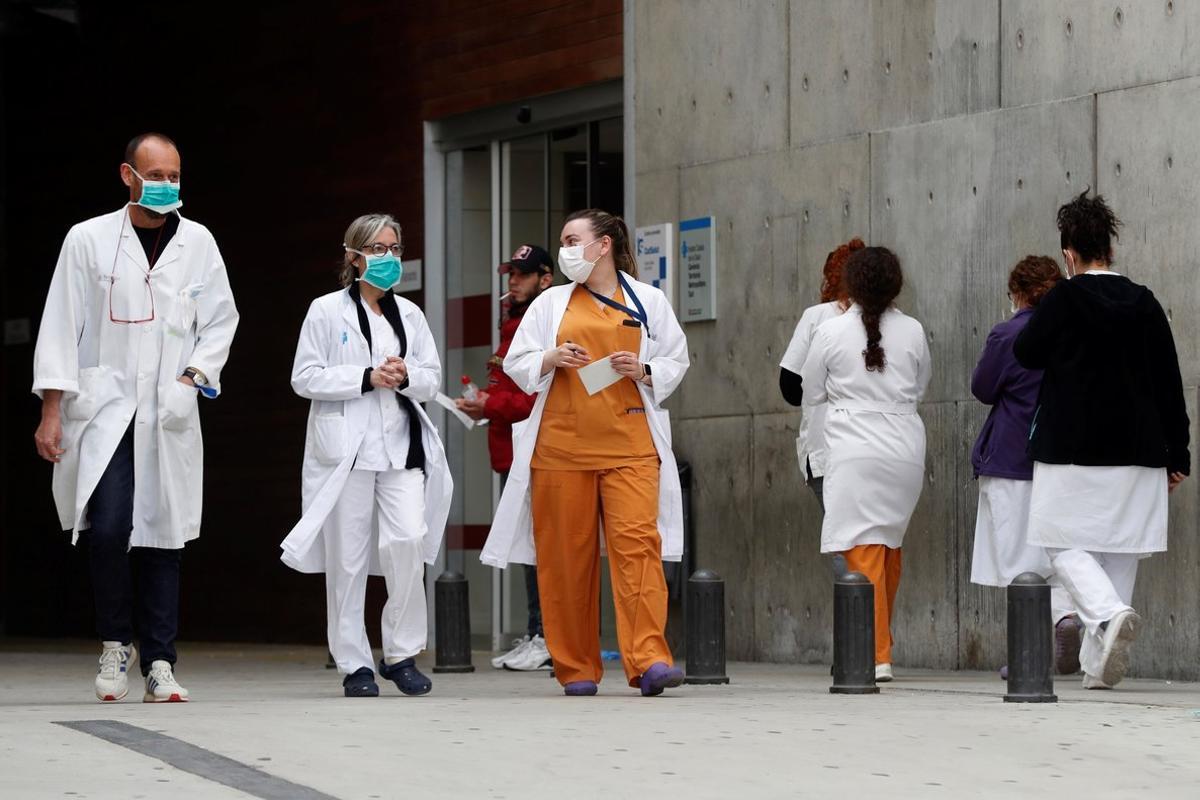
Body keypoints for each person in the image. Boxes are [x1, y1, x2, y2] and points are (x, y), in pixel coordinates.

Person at [32, 132, 239, 703]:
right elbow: (60, 327)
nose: (168, 185)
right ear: (128, 175)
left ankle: (161, 662)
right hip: (103, 409)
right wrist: (51, 411)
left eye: (175, 174)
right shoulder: (88, 239)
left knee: (165, 535)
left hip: (167, 411)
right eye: (157, 174)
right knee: (108, 528)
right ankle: (115, 643)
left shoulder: (199, 242)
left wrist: (194, 375)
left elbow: (221, 319)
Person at [481, 209, 690, 697]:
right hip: (560, 449)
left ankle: (651, 660)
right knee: (564, 559)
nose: (566, 248)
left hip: (632, 446)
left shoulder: (648, 300)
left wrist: (643, 369)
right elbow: (517, 362)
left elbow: (676, 358)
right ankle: (575, 667)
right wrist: (551, 358)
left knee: (638, 550)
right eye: (563, 241)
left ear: (603, 246)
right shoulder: (551, 303)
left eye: (573, 240)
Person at [1015, 191, 1189, 689]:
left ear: (1069, 254)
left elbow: (1027, 351)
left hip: (1071, 447)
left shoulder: (1065, 298)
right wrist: (1179, 456)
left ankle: (1109, 615)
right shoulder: (1145, 301)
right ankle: (1097, 668)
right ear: (1108, 248)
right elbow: (1169, 384)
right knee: (1121, 548)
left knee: (1057, 541)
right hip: (1139, 449)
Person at [281, 214, 453, 698]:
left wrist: (404, 375)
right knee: (349, 559)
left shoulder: (411, 316)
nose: (389, 258)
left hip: (400, 449)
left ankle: (400, 653)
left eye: (394, 249)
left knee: (408, 544)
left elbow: (431, 378)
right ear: (353, 256)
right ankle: (354, 663)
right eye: (377, 250)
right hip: (346, 453)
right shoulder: (325, 311)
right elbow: (305, 376)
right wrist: (364, 376)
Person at [801, 246, 930, 683]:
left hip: (854, 445)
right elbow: (921, 384)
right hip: (904, 446)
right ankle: (880, 643)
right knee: (888, 546)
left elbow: (811, 390)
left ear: (851, 284)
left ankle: (875, 653)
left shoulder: (831, 331)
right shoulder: (912, 329)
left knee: (861, 549)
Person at [969, 256, 1080, 675]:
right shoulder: (1073, 334)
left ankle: (1029, 657)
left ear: (1017, 292)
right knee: (1059, 553)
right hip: (1064, 460)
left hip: (1013, 455)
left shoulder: (1010, 333)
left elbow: (982, 387)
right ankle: (1065, 617)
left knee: (1019, 561)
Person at [456, 244, 555, 671]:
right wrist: (485, 398)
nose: (513, 281)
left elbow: (536, 399)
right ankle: (537, 633)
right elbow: (510, 388)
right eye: (510, 273)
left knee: (539, 549)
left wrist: (488, 405)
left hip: (534, 452)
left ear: (544, 279)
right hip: (510, 452)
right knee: (527, 547)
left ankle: (547, 637)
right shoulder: (514, 319)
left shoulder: (543, 322)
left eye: (522, 274)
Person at [779, 237, 864, 512]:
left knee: (844, 539)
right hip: (881, 448)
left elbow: (790, 387)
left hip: (826, 447)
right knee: (876, 539)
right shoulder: (896, 322)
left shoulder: (818, 317)